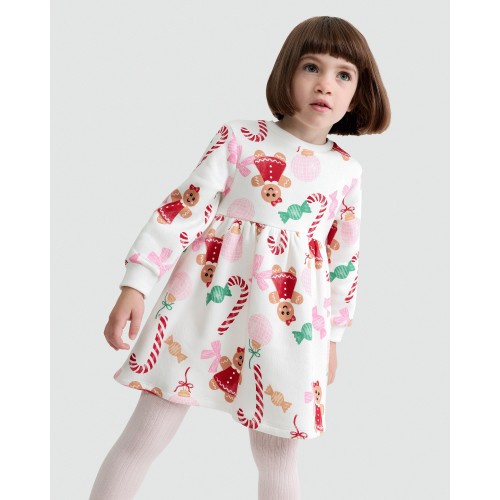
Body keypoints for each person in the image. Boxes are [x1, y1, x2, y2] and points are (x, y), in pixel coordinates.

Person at [89, 15, 390, 500]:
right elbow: (184, 208)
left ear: (357, 95)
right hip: (204, 303)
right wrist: (137, 283)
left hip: (290, 324)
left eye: (343, 75)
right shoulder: (240, 138)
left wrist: (333, 337)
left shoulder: (346, 172)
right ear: (287, 72)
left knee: (278, 454)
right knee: (146, 434)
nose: (325, 84)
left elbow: (344, 261)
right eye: (311, 67)